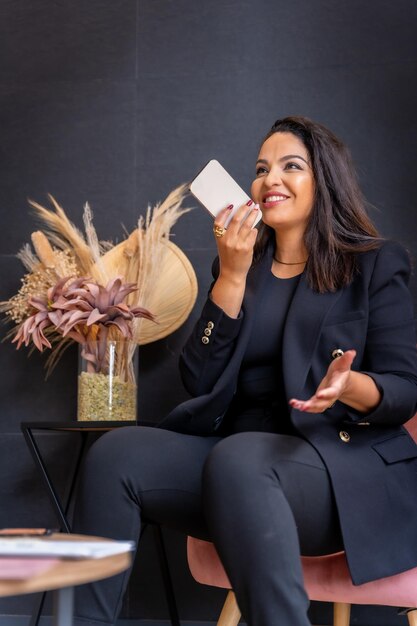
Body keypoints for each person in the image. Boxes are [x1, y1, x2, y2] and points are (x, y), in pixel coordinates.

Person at [73, 116, 417, 626]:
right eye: (261, 169)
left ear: (325, 182)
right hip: (238, 463)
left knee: (241, 459)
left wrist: (350, 385)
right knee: (115, 455)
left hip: (337, 469)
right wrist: (231, 277)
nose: (269, 179)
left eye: (291, 166)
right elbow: (200, 380)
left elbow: (404, 391)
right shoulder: (239, 267)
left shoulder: (374, 264)